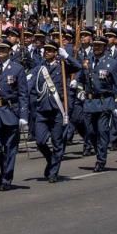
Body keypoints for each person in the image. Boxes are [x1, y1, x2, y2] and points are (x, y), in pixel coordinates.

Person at [0, 39, 28, 189]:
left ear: (9, 51)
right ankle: (4, 165)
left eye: (3, 49)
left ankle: (7, 178)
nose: (0, 51)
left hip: (10, 112)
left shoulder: (17, 69)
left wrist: (23, 116)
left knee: (10, 148)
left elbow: (23, 94)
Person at [31, 39, 77, 182]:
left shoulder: (62, 66)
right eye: (46, 50)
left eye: (50, 50)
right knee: (40, 141)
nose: (47, 53)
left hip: (57, 109)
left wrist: (67, 57)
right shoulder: (39, 68)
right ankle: (51, 159)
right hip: (42, 109)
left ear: (56, 53)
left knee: (57, 143)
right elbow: (30, 83)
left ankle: (53, 172)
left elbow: (79, 67)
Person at [77, 33, 117, 172]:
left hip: (104, 102)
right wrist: (79, 90)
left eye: (99, 45)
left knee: (102, 131)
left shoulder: (112, 63)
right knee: (90, 132)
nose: (96, 48)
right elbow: (80, 80)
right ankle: (98, 152)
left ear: (105, 47)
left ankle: (101, 160)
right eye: (94, 45)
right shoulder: (87, 62)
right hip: (89, 102)